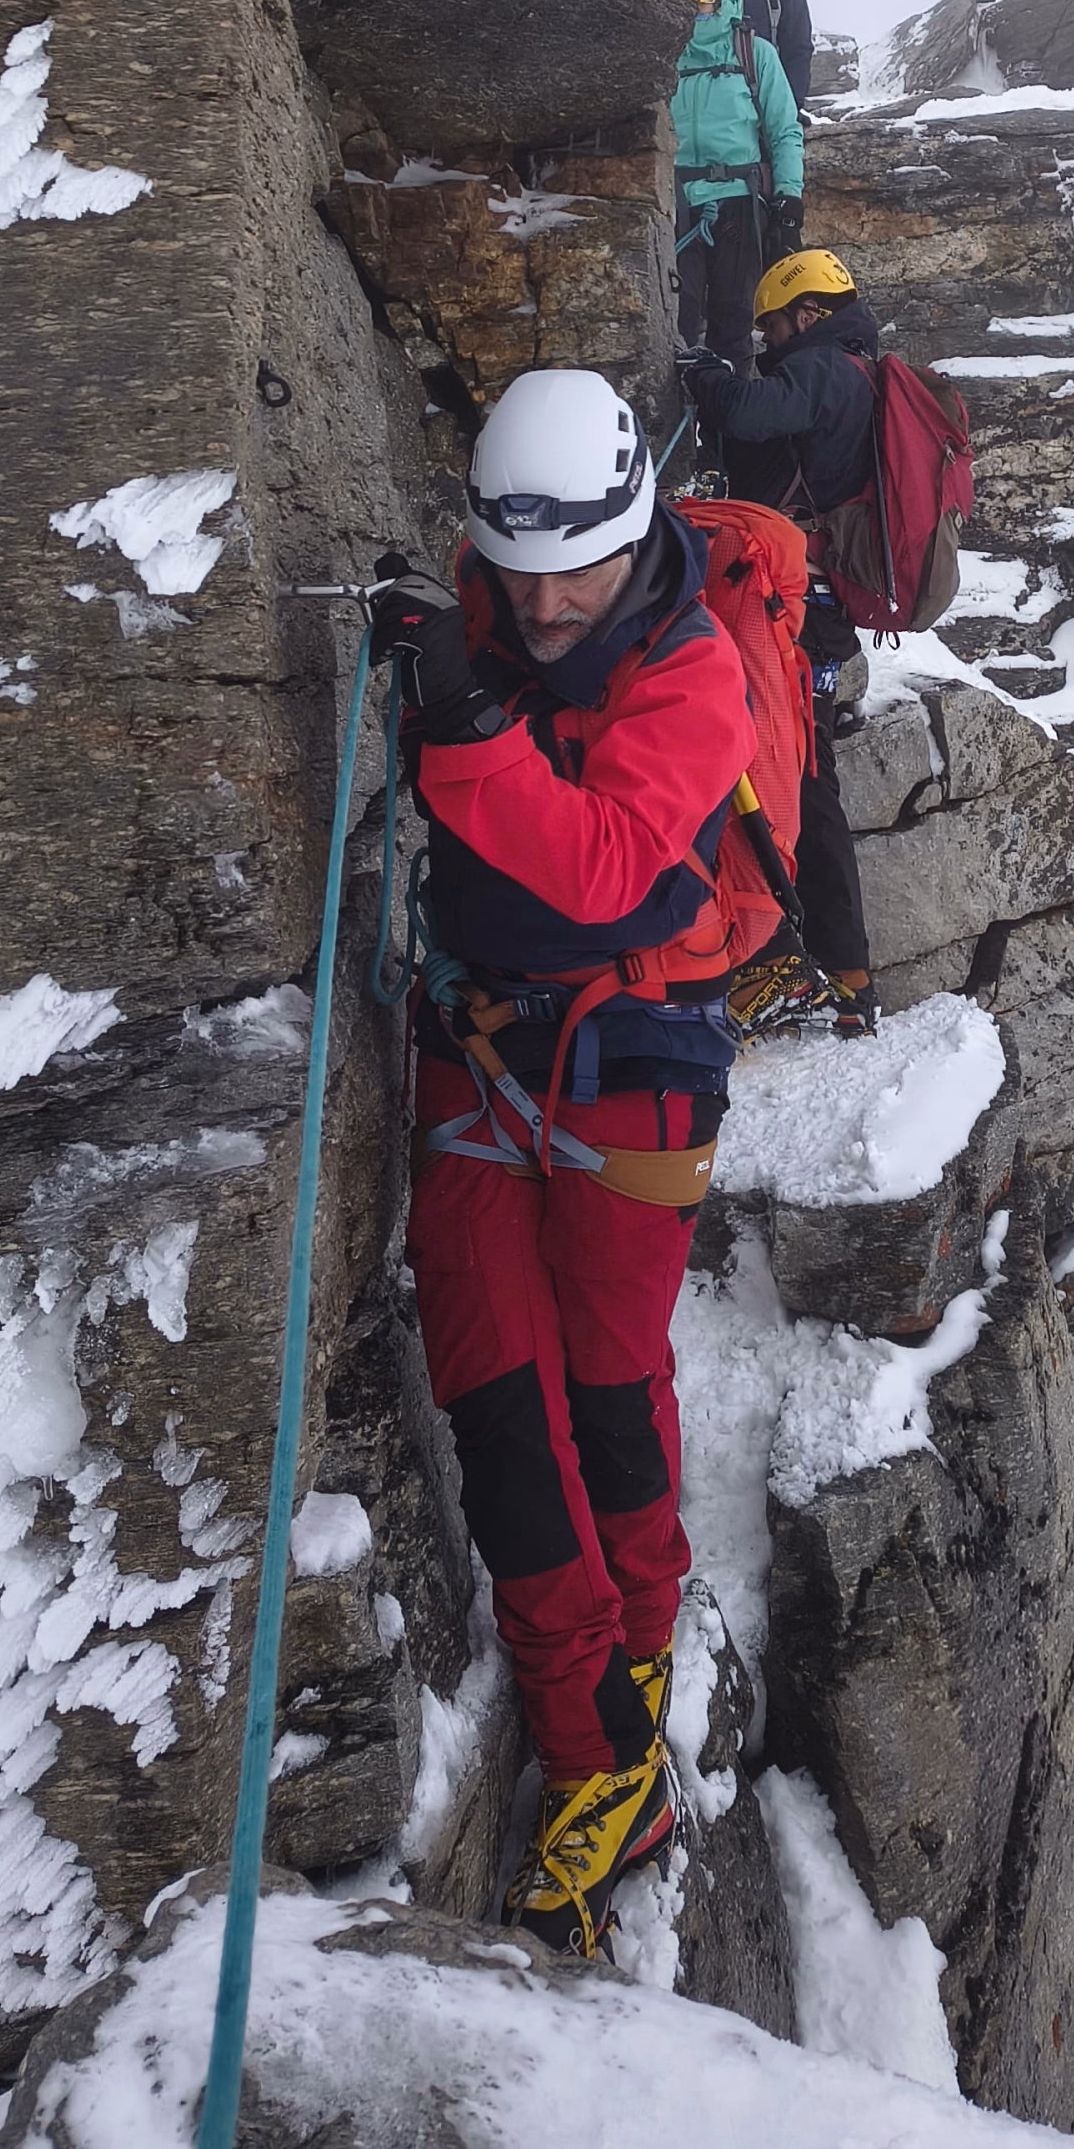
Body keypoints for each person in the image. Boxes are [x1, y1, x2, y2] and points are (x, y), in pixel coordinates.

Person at [368, 369, 756, 1956]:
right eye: (515, 568)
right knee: (500, 1411)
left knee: (608, 1382)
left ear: (635, 526)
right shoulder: (481, 604)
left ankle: (642, 1639)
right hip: (477, 1052)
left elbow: (604, 869)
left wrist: (460, 716)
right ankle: (603, 1742)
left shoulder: (695, 671)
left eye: (574, 569)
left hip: (633, 1061)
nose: (540, 601)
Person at [684, 247, 880, 1039]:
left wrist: (707, 377)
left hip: (801, 615)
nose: (767, 345)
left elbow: (747, 413)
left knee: (793, 775)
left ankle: (805, 957)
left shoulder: (829, 367)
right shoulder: (858, 368)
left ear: (807, 314)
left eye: (772, 329)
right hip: (815, 609)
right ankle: (836, 965)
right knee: (798, 770)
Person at [671, 0, 805, 371]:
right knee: (678, 322)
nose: (699, 11)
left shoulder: (753, 51)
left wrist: (788, 200)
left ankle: (727, 432)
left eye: (704, 2)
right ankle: (680, 428)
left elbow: (785, 130)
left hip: (738, 207)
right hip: (677, 205)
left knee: (732, 326)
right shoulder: (660, 54)